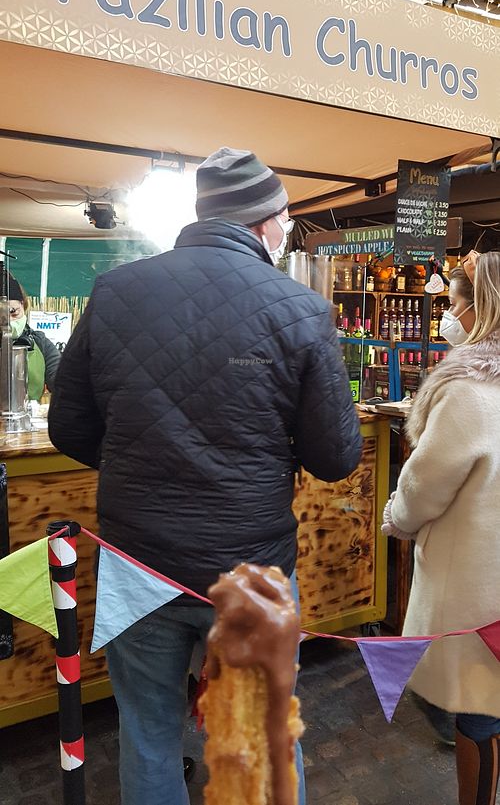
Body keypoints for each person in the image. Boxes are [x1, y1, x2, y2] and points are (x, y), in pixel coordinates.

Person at [48, 147, 362, 805]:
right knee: (267, 741)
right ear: (265, 220)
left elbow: (68, 427)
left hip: (141, 566)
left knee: (148, 735)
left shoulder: (116, 290)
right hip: (251, 568)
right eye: (285, 218)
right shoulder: (300, 309)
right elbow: (336, 456)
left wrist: (140, 458)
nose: (287, 231)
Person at [382, 251, 500, 805]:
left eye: (454, 303)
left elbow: (424, 486)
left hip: (480, 591)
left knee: (479, 714)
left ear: (482, 310)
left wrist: (396, 519)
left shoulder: (467, 390)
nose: (447, 316)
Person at [8, 274, 61, 400]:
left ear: (23, 305)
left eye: (14, 312)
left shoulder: (40, 342)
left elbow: (61, 380)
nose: (9, 322)